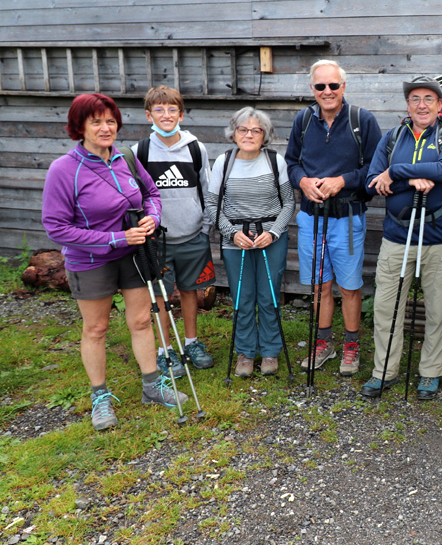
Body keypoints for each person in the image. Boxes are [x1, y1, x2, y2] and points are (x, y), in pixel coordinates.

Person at [41, 93, 188, 431]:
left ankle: (152, 385)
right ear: (80, 127)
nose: (106, 128)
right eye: (97, 122)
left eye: (110, 121)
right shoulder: (64, 170)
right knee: (96, 329)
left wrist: (152, 217)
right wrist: (115, 238)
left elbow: (150, 194)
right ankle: (100, 397)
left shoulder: (127, 158)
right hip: (90, 261)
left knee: (140, 322)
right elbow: (57, 227)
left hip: (134, 256)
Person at [362, 76, 442, 399]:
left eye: (428, 99)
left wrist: (395, 173)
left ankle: (430, 373)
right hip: (396, 234)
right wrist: (414, 176)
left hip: (438, 236)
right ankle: (384, 372)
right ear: (407, 105)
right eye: (415, 99)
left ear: (439, 105)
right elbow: (370, 182)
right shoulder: (392, 138)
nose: (422, 105)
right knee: (386, 306)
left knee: (436, 309)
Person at [285, 60, 381, 376]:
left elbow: (376, 169)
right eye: (320, 86)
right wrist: (302, 181)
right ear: (312, 89)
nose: (327, 91)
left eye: (333, 85)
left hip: (348, 216)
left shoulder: (361, 121)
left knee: (350, 286)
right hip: (312, 217)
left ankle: (352, 345)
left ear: (343, 86)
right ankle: (323, 343)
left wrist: (343, 180)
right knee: (319, 285)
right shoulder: (302, 120)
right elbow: (291, 163)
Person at [131, 86, 215, 378]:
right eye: (159, 110)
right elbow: (135, 196)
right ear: (148, 114)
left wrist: (205, 228)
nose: (165, 115)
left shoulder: (196, 148)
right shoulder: (138, 151)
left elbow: (206, 190)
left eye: (171, 110)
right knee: (160, 297)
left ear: (181, 114)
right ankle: (166, 349)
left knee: (191, 291)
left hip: (193, 236)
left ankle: (191, 342)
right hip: (158, 241)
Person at [208, 108, 295, 377]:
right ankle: (245, 352)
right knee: (242, 298)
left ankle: (270, 351)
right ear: (233, 133)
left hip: (271, 239)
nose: (249, 134)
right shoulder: (224, 161)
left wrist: (275, 232)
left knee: (268, 298)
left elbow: (289, 202)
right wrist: (231, 233)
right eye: (243, 129)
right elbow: (212, 203)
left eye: (256, 130)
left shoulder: (274, 160)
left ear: (264, 135)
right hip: (236, 240)